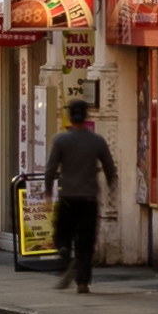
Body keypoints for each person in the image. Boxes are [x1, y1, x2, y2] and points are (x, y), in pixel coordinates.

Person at [38, 91, 115, 297]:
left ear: (70, 116)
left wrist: (47, 191)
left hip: (68, 198)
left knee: (62, 235)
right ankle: (83, 283)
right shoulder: (97, 141)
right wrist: (111, 188)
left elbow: (51, 168)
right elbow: (110, 168)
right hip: (89, 199)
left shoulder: (61, 140)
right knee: (86, 242)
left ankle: (64, 253)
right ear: (87, 116)